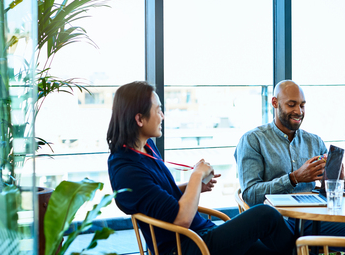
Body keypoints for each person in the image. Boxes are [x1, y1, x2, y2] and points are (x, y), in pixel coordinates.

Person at [108, 81, 296, 255]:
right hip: (185, 246)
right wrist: (196, 176)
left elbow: (161, 196)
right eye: (158, 111)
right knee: (264, 214)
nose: (162, 116)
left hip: (200, 234)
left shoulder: (146, 148)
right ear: (140, 119)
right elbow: (181, 220)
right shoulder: (126, 169)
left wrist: (194, 187)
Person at [234, 80, 345, 255]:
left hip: (313, 218)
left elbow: (332, 195)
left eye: (302, 105)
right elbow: (250, 194)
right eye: (291, 104)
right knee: (297, 248)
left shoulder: (314, 141)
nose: (299, 111)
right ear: (274, 103)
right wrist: (294, 178)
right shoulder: (253, 140)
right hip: (277, 221)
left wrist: (337, 180)